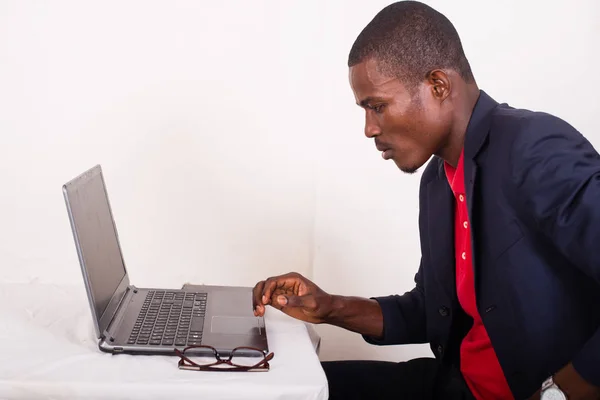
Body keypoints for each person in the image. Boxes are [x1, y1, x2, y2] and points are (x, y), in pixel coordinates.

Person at [252, 2, 600, 399]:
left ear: (438, 86)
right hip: (455, 384)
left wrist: (567, 389)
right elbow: (433, 311)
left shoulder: (534, 148)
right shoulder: (438, 180)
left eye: (377, 106)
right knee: (282, 389)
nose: (369, 129)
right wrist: (328, 307)